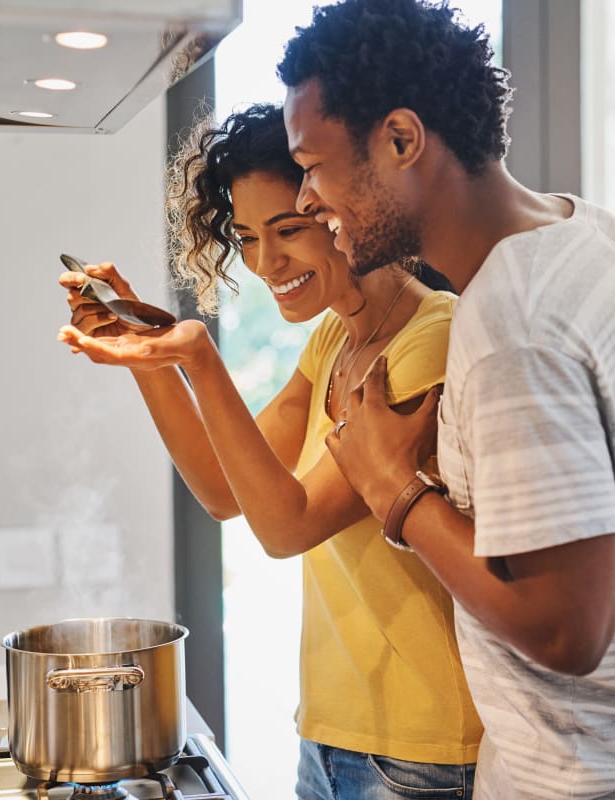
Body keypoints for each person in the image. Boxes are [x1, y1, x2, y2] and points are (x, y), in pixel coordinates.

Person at [276, 2, 615, 798]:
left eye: (314, 165)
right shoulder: (597, 238)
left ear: (402, 139)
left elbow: (564, 628)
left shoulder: (511, 324)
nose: (305, 199)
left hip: (606, 782)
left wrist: (396, 492)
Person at [56, 103, 483, 800]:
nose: (263, 262)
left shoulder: (430, 340)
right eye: (248, 237)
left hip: (422, 750)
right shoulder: (336, 340)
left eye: (288, 229)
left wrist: (198, 355)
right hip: (333, 732)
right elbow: (227, 491)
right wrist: (149, 358)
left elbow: (288, 525)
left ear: (346, 209)